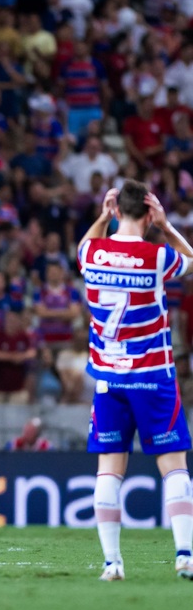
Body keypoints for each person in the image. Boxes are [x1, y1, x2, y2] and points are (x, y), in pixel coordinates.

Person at [78, 181, 193, 581]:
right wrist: (166, 226)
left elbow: (85, 243)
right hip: (152, 376)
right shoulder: (157, 256)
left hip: (109, 378)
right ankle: (185, 555)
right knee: (173, 467)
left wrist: (101, 216)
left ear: (115, 210)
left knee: (108, 472)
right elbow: (192, 259)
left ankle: (112, 563)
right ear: (149, 213)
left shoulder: (91, 252)